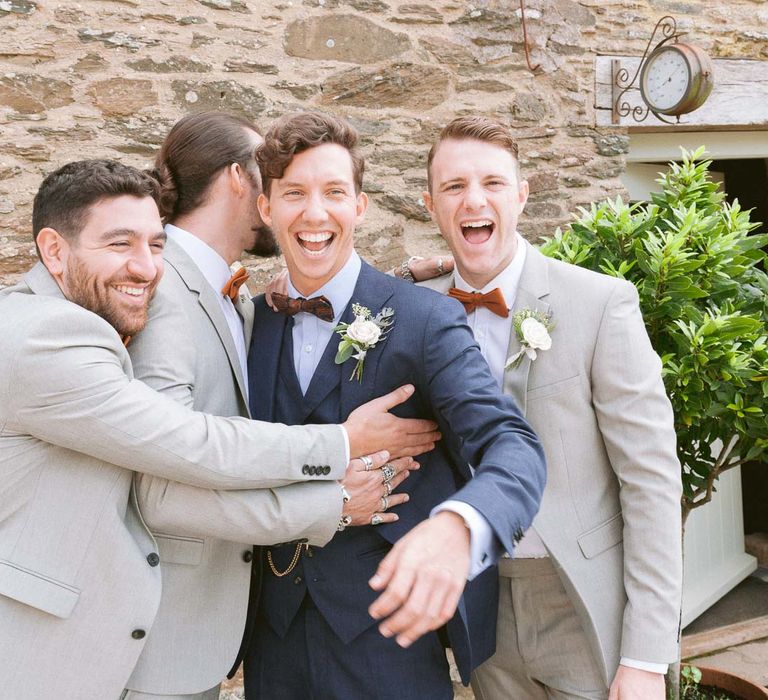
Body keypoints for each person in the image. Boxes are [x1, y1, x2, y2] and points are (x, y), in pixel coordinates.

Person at [0, 159, 439, 700]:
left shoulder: (67, 321)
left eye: (155, 246)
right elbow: (186, 440)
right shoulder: (45, 335)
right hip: (46, 658)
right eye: (119, 245)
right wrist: (343, 445)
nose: (146, 269)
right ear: (54, 250)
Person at [124, 112, 434, 700]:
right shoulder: (166, 290)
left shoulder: (232, 296)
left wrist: (415, 279)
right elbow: (161, 480)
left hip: (231, 629)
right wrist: (333, 492)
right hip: (166, 628)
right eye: (277, 180)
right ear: (245, 181)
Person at [241, 111, 546, 699]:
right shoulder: (251, 324)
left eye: (333, 192)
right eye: (294, 194)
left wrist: (461, 526)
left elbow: (511, 444)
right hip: (272, 637)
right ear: (265, 209)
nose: (314, 213)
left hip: (388, 637)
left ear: (359, 206)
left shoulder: (425, 318)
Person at [418, 116, 683, 700]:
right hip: (480, 602)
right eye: (454, 186)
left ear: (522, 194)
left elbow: (652, 479)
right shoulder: (416, 311)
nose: (473, 199)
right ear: (431, 205)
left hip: (584, 598)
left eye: (492, 182)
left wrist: (646, 655)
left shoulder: (599, 303)